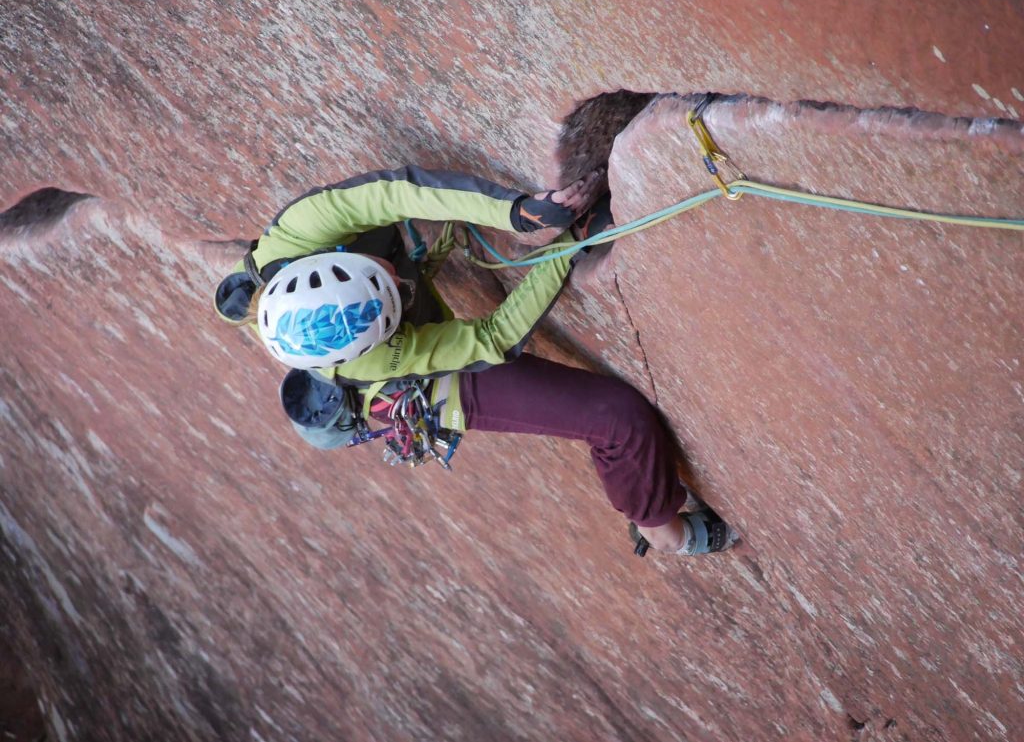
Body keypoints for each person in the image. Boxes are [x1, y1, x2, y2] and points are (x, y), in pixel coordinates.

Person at [214, 165, 736, 555]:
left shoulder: (299, 231)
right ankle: (663, 531)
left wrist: (517, 211)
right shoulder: (378, 362)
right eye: (392, 292)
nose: (398, 278)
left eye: (382, 274)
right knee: (618, 420)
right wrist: (571, 245)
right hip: (417, 388)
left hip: (377, 331)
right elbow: (493, 337)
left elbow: (397, 191)